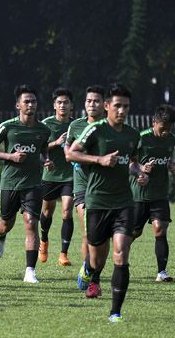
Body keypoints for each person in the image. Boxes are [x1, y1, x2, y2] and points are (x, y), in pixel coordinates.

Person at [70, 83, 151, 323]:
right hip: (97, 202)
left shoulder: (133, 135)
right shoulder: (95, 130)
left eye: (126, 106)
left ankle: (115, 312)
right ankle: (89, 268)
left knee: (120, 254)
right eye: (117, 106)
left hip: (124, 202)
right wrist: (99, 159)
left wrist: (139, 172)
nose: (122, 110)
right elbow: (71, 153)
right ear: (107, 106)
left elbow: (132, 162)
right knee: (97, 259)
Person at [0, 85, 53, 283]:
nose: (31, 104)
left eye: (33, 101)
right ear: (18, 105)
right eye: (27, 101)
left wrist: (46, 160)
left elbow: (43, 150)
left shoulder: (43, 130)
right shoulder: (7, 127)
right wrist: (11, 156)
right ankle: (0, 237)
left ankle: (30, 271)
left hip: (33, 184)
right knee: (5, 224)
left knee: (31, 223)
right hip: (10, 183)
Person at [64, 84, 105, 297]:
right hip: (82, 186)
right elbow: (68, 147)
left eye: (96, 101)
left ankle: (90, 269)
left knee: (101, 237)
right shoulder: (76, 125)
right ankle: (90, 275)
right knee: (89, 232)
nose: (92, 104)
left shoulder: (110, 128)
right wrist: (73, 157)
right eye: (89, 101)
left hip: (105, 188)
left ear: (104, 104)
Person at [131, 104, 175, 282]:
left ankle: (162, 272)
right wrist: (141, 168)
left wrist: (172, 166)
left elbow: (169, 158)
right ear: (154, 123)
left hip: (160, 193)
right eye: (162, 128)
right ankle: (119, 255)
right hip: (139, 194)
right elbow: (129, 162)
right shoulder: (141, 138)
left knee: (160, 229)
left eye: (169, 128)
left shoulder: (171, 139)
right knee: (134, 233)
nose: (166, 132)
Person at [38, 88, 75, 266]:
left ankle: (63, 254)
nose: (62, 105)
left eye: (66, 102)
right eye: (59, 102)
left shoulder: (76, 125)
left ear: (71, 105)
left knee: (67, 211)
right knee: (47, 212)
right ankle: (44, 241)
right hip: (50, 175)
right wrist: (56, 143)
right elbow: (39, 148)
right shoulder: (46, 124)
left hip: (70, 176)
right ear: (54, 105)